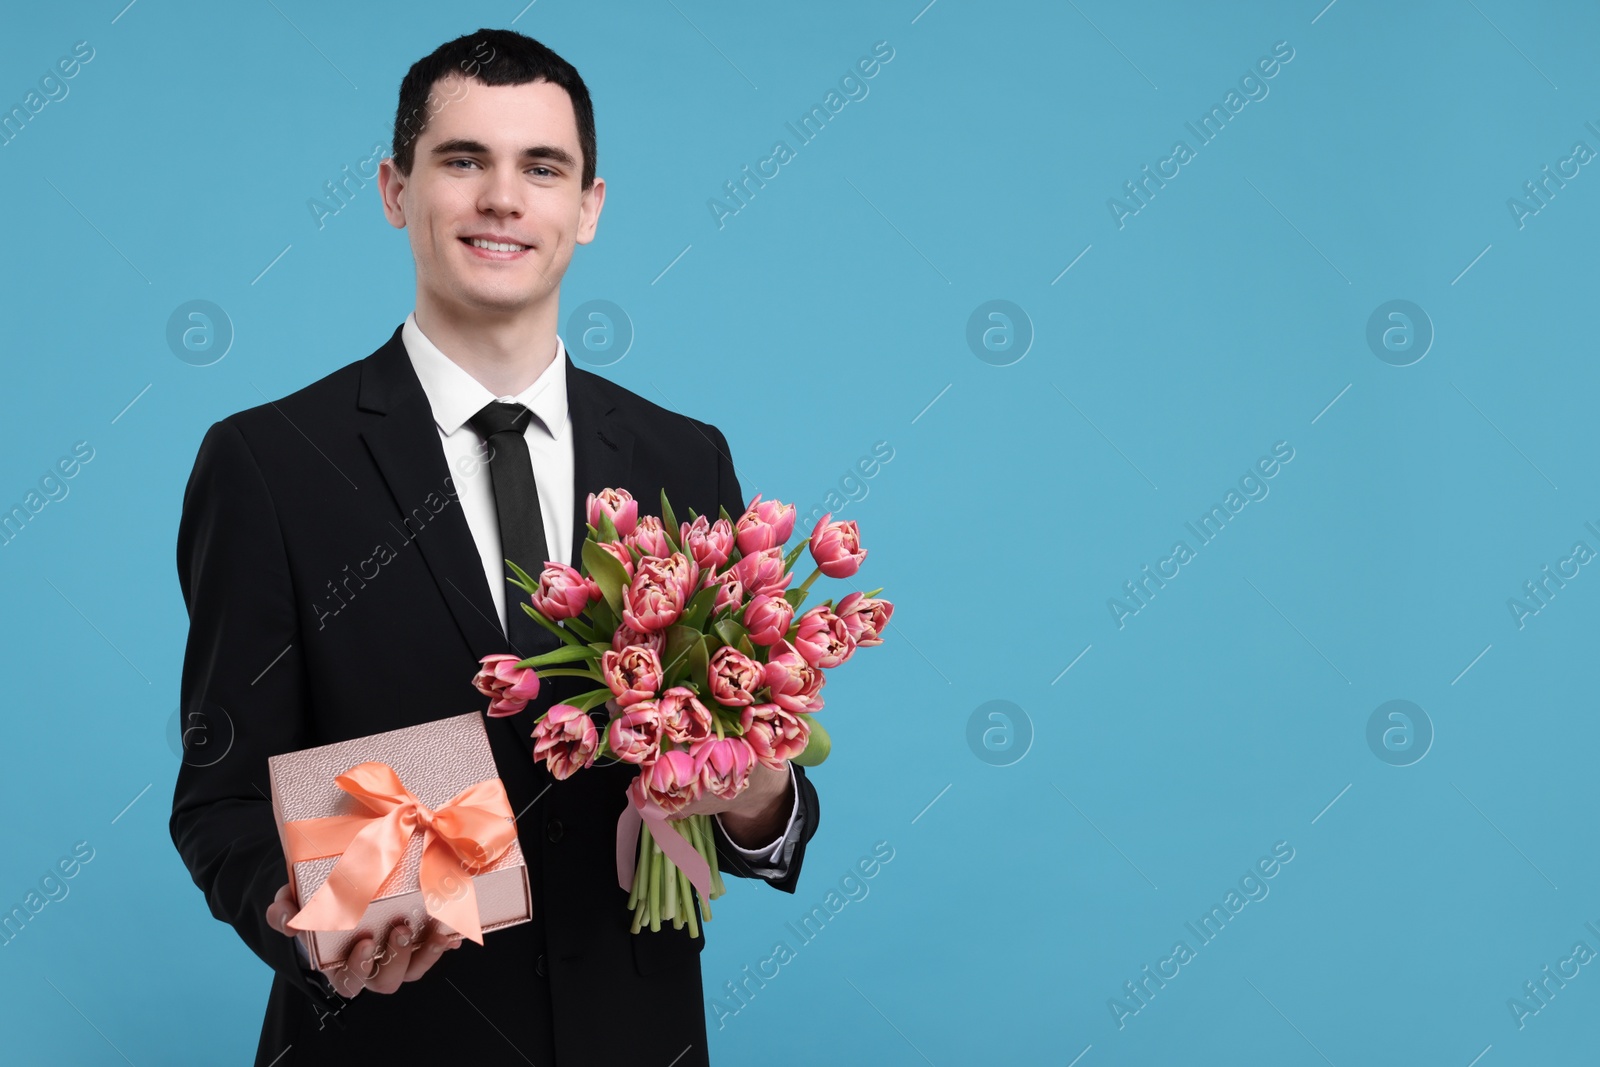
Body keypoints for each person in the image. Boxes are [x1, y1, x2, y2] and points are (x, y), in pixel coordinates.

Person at [169, 28, 819, 1066]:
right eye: (463, 159)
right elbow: (221, 794)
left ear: (588, 207)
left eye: (541, 167)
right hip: (381, 1038)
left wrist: (755, 795)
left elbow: (757, 811)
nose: (502, 199)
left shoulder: (683, 458)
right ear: (394, 188)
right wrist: (296, 912)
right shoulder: (269, 462)